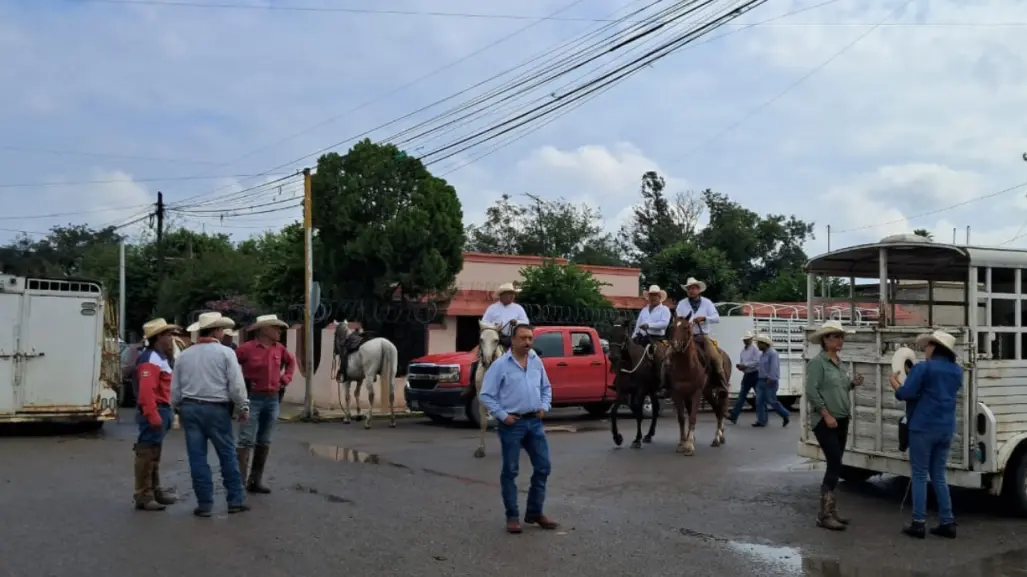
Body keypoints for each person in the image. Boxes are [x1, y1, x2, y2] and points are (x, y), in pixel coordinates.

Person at [478, 323, 558, 535]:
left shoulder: (535, 360)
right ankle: (512, 516)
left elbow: (546, 387)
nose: (527, 342)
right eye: (522, 338)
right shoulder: (500, 365)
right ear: (512, 340)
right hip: (512, 424)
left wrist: (545, 406)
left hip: (534, 422)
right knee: (510, 471)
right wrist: (503, 416)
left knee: (543, 467)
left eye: (530, 338)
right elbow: (485, 394)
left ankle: (534, 512)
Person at [171, 312, 251, 517]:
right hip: (216, 409)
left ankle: (205, 504)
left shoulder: (184, 355)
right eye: (222, 329)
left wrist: (177, 407)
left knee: (197, 457)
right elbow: (236, 386)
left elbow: (175, 390)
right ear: (216, 331)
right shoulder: (225, 353)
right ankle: (235, 500)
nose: (224, 333)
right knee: (227, 455)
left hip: (190, 407)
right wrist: (243, 407)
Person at [889, 330, 962, 540]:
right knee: (939, 475)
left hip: (922, 427)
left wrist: (894, 383)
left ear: (934, 347)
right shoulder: (956, 371)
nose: (924, 349)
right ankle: (947, 522)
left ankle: (918, 522)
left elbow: (906, 394)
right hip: (945, 428)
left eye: (927, 346)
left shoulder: (923, 368)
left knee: (920, 475)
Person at [805, 320, 864, 531]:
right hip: (825, 420)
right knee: (834, 463)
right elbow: (812, 392)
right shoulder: (817, 363)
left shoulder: (840, 363)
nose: (840, 340)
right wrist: (825, 413)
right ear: (825, 340)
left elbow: (838, 388)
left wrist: (852, 384)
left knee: (836, 462)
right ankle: (825, 514)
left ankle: (830, 510)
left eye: (841, 337)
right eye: (835, 337)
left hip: (841, 417)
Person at [235, 314, 296, 494]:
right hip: (252, 398)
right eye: (275, 328)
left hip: (272, 398)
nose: (279, 331)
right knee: (246, 439)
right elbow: (230, 366)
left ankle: (255, 481)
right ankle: (238, 484)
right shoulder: (246, 349)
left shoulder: (280, 349)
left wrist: (285, 379)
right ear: (264, 330)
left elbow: (291, 363)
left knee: (265, 439)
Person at [132, 318, 181, 511]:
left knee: (153, 453)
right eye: (168, 334)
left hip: (161, 408)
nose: (171, 338)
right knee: (147, 453)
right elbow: (146, 391)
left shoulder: (158, 357)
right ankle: (144, 494)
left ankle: (153, 491)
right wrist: (152, 415)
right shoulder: (151, 359)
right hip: (155, 410)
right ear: (159, 337)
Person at [678, 277, 726, 390]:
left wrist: (704, 318)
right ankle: (666, 384)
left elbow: (716, 318)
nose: (691, 290)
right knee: (669, 355)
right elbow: (679, 319)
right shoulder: (681, 303)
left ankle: (722, 383)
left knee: (715, 358)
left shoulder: (707, 303)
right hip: (685, 338)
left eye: (693, 288)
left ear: (698, 290)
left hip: (702, 336)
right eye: (689, 288)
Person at [480, 282, 530, 352]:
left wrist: (517, 322)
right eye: (510, 294)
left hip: (513, 339)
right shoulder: (492, 308)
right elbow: (484, 322)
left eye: (513, 294)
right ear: (502, 295)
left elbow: (526, 322)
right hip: (496, 338)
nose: (512, 296)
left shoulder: (519, 308)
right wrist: (494, 326)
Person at [753, 334, 789, 427]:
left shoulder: (772, 353)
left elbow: (774, 367)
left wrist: (771, 378)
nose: (758, 345)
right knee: (759, 401)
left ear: (765, 344)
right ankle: (761, 421)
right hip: (761, 380)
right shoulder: (762, 354)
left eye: (759, 343)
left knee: (771, 400)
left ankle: (785, 414)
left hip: (770, 380)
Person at [728, 331, 761, 424]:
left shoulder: (755, 349)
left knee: (759, 397)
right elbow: (745, 362)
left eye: (747, 339)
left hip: (755, 374)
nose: (745, 341)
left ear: (751, 339)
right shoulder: (743, 351)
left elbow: (757, 362)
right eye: (745, 340)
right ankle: (734, 416)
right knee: (741, 396)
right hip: (747, 374)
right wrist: (741, 367)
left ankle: (762, 417)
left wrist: (745, 365)